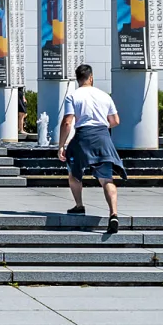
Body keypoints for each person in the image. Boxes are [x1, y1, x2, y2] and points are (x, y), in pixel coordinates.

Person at [56, 64, 127, 233]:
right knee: (107, 179)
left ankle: (79, 205)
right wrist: (101, 126)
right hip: (103, 137)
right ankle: (113, 214)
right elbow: (115, 121)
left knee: (74, 173)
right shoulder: (104, 96)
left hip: (82, 138)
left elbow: (67, 122)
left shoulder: (73, 96)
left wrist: (61, 145)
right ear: (91, 77)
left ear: (77, 79)